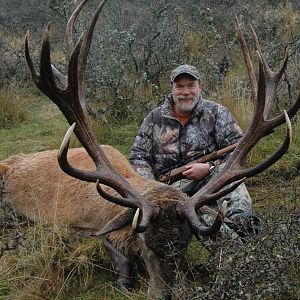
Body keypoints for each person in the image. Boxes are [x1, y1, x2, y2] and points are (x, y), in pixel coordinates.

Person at [129, 64, 259, 236]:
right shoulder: (154, 118)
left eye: (191, 85)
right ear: (172, 89)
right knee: (199, 216)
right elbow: (139, 157)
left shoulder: (217, 113)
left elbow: (240, 153)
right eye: (180, 86)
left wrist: (209, 167)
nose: (185, 92)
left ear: (200, 87)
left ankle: (240, 219)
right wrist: (152, 188)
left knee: (226, 171)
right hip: (170, 189)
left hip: (210, 178)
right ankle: (231, 252)